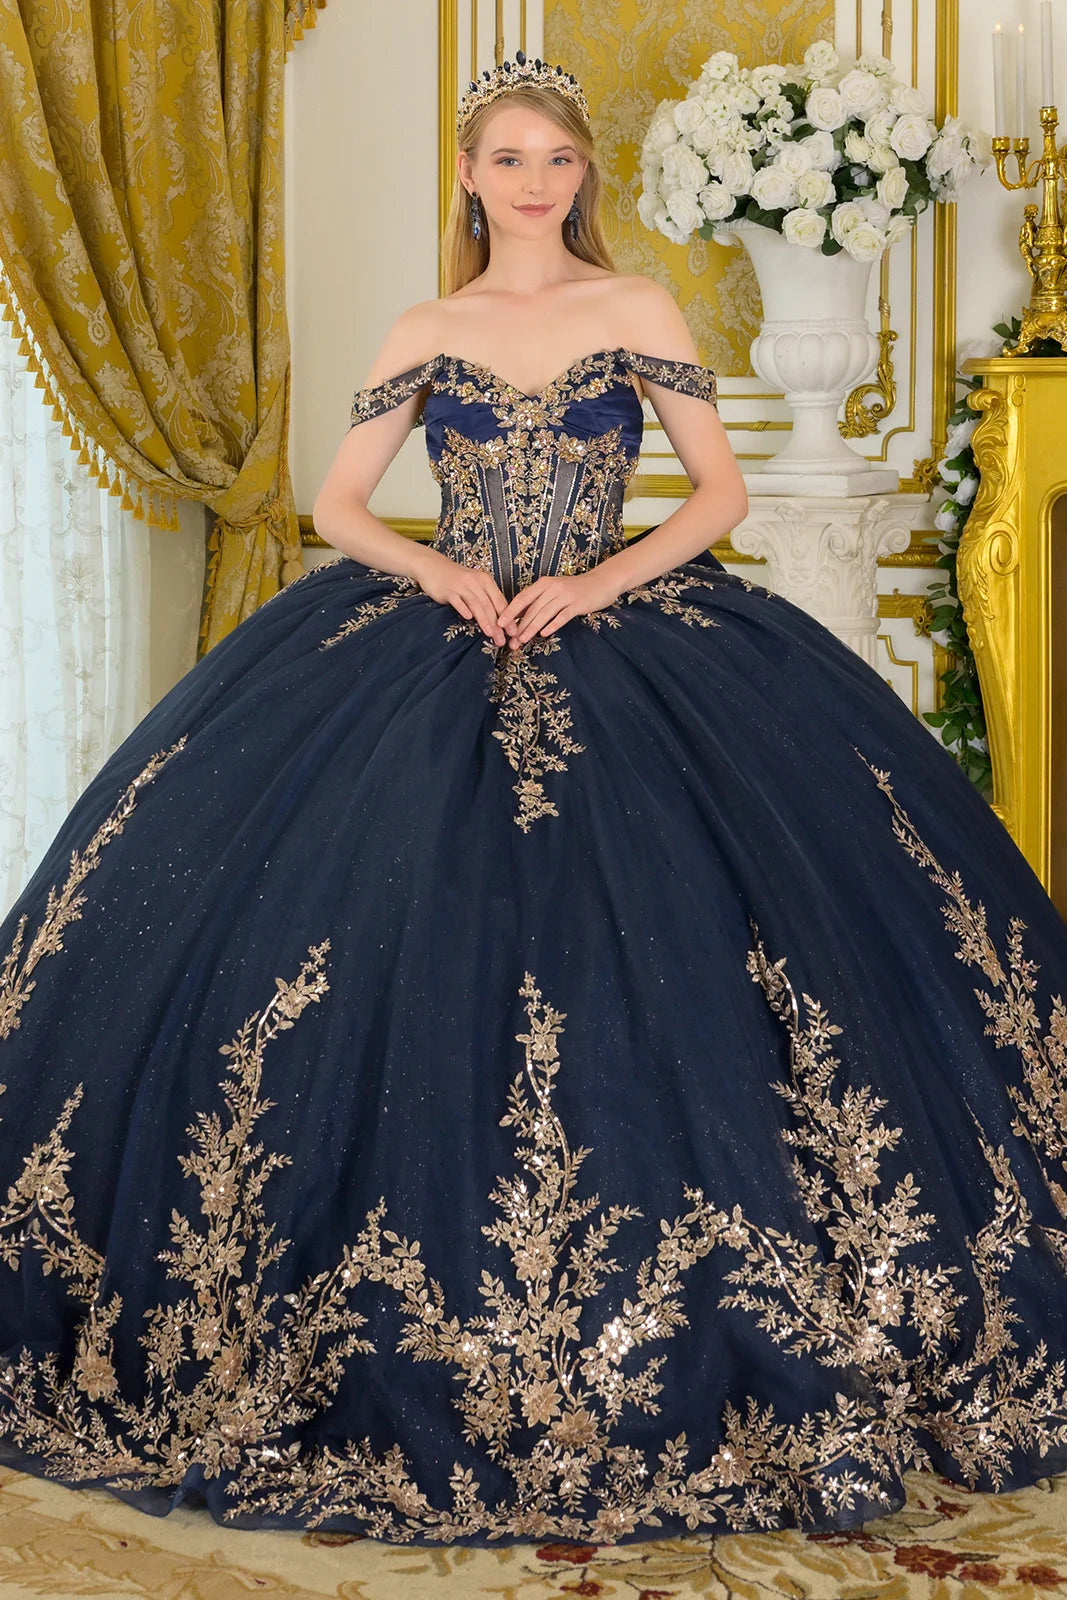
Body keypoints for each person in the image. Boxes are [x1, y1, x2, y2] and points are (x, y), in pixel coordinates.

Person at [1, 50, 1067, 1553]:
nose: (535, 182)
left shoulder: (634, 308)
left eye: (557, 160)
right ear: (469, 173)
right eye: (509, 159)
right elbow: (338, 503)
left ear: (582, 176)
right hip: (440, 632)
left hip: (615, 622)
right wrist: (441, 570)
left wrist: (595, 582)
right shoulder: (429, 327)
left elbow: (717, 494)